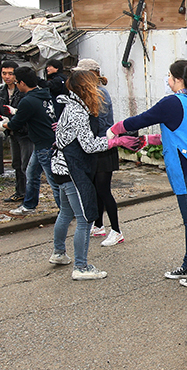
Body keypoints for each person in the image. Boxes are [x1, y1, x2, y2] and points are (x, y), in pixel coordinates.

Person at [107, 59, 187, 287]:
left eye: (168, 75)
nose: (167, 80)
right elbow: (177, 133)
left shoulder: (173, 102)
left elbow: (142, 119)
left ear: (177, 79)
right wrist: (147, 140)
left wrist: (115, 129)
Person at [49, 70, 140, 280]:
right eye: (94, 85)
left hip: (60, 169)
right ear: (86, 88)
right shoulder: (78, 112)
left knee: (65, 212)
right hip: (72, 170)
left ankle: (59, 253)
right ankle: (81, 267)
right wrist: (117, 141)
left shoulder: (70, 106)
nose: (98, 90)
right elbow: (89, 145)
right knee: (85, 218)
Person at [73, 59, 124, 247]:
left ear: (90, 74)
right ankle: (99, 225)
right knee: (96, 188)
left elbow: (101, 124)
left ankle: (116, 230)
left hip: (103, 146)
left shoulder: (99, 93)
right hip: (97, 146)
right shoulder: (91, 92)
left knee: (103, 190)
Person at [2, 66, 61, 216]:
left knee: (53, 180)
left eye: (16, 82)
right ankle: (29, 205)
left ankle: (67, 210)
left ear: (22, 83)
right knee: (32, 174)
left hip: (44, 145)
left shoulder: (27, 100)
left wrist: (4, 124)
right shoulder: (44, 95)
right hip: (45, 142)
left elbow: (15, 124)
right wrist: (15, 112)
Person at [0, 61, 32, 203]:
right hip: (11, 132)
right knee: (16, 164)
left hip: (25, 133)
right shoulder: (2, 91)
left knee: (27, 165)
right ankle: (20, 192)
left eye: (10, 73)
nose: (7, 77)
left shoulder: (23, 90)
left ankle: (30, 195)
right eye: (4, 73)